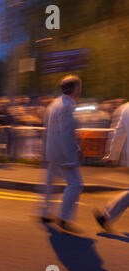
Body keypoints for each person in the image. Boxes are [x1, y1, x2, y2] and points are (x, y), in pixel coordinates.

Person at [40, 75, 84, 233]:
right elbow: (66, 134)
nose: (80, 90)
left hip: (52, 151)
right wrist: (72, 155)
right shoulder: (66, 106)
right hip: (62, 153)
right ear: (74, 89)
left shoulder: (54, 103)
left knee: (50, 182)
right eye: (79, 87)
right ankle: (64, 218)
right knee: (76, 184)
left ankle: (44, 212)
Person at [93, 103, 129, 233]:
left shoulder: (126, 109)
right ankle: (106, 215)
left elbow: (118, 133)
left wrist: (112, 155)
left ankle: (106, 215)